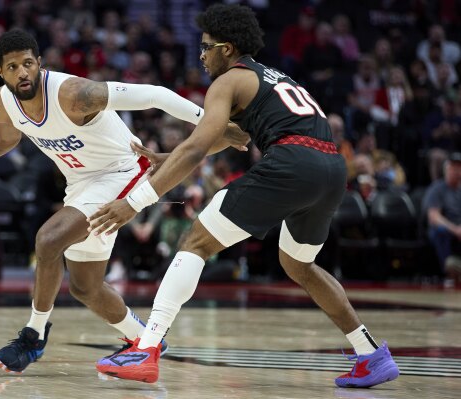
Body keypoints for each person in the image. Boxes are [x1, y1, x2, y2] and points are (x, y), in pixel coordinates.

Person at [88, 4, 399, 388]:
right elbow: (224, 138)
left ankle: (146, 349)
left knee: (196, 241)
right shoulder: (273, 77)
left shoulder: (228, 80)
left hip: (292, 162)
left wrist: (133, 202)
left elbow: (197, 149)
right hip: (332, 168)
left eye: (206, 47)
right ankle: (371, 353)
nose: (200, 56)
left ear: (228, 48)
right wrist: (168, 157)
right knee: (299, 265)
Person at [0, 29, 248, 374]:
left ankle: (34, 334)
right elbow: (3, 138)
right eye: (12, 67)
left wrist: (214, 125)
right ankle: (144, 339)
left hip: (123, 170)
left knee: (48, 240)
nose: (22, 73)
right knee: (86, 287)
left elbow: (155, 94)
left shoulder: (74, 94)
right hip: (82, 182)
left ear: (39, 63)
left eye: (27, 64)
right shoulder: (2, 102)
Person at [423, 152, 461, 285]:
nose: (456, 171)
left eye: (459, 168)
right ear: (446, 169)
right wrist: (455, 229)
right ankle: (448, 272)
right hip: (445, 229)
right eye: (453, 167)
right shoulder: (437, 189)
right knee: (440, 231)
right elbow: (434, 217)